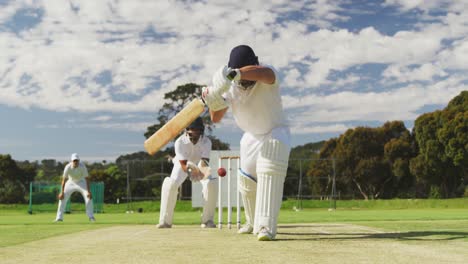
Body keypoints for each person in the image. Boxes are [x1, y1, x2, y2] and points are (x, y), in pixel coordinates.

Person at [202, 45, 291, 241]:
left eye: (243, 72)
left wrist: (237, 73)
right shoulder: (230, 86)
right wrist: (213, 99)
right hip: (251, 136)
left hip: (275, 131)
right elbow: (215, 118)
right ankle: (252, 222)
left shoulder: (267, 73)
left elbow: (263, 74)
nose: (244, 82)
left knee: (269, 170)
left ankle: (265, 226)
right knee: (246, 180)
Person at [157, 117, 218, 228]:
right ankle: (165, 221)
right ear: (187, 130)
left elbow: (204, 163)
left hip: (200, 163)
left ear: (201, 130)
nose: (195, 133)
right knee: (170, 184)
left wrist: (200, 173)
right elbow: (184, 165)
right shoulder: (179, 142)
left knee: (211, 184)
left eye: (197, 130)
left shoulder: (206, 142)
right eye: (192, 130)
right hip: (183, 164)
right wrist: (191, 171)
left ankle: (207, 220)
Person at [54, 153, 95, 222]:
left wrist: (88, 191)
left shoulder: (82, 166)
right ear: (71, 161)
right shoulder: (67, 167)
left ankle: (91, 217)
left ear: (79, 161)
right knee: (62, 198)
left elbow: (87, 179)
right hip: (71, 182)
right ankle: (59, 218)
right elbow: (64, 180)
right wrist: (62, 192)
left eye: (77, 160)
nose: (75, 162)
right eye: (74, 160)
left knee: (88, 197)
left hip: (81, 182)